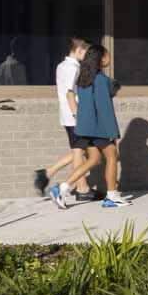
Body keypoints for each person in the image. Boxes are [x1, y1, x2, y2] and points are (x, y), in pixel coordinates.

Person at [70, 45, 129, 209]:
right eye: (108, 55)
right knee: (112, 157)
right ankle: (111, 196)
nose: (110, 58)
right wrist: (112, 132)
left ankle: (62, 188)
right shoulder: (100, 80)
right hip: (99, 127)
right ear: (101, 59)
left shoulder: (83, 78)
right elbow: (104, 108)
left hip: (86, 127)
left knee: (94, 159)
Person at [41, 35, 92, 208]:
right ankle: (77, 189)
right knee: (80, 151)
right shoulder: (73, 67)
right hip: (74, 115)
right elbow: (70, 92)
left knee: (80, 150)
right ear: (78, 50)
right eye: (86, 52)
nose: (87, 56)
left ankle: (79, 187)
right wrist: (78, 116)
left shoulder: (61, 65)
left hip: (66, 115)